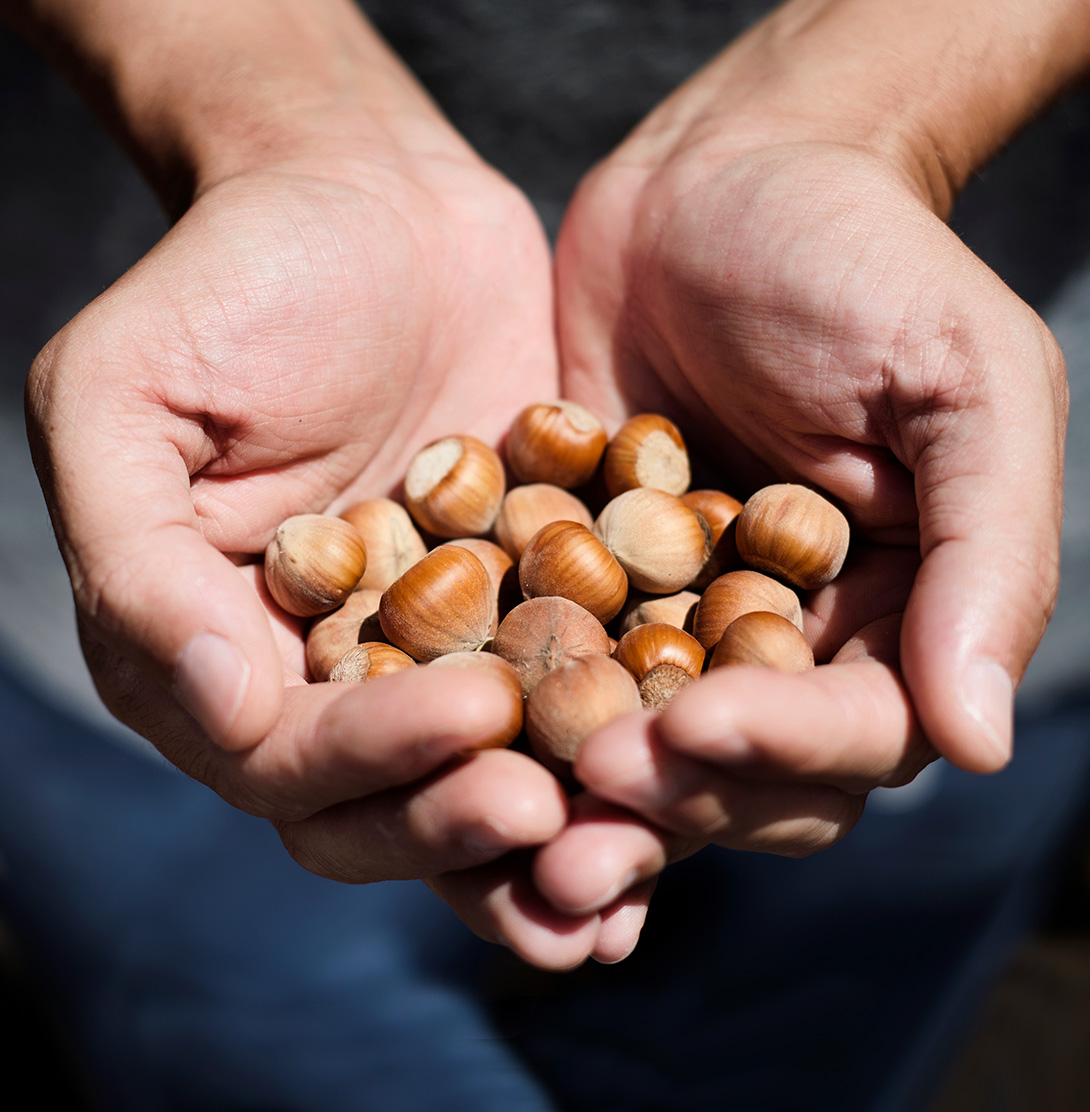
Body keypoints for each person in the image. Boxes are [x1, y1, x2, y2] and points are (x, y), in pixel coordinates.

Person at [1, 1, 1089, 1108]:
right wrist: (265, 114)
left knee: (796, 1026)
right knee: (262, 1015)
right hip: (207, 529)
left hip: (907, 521)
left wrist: (867, 116)